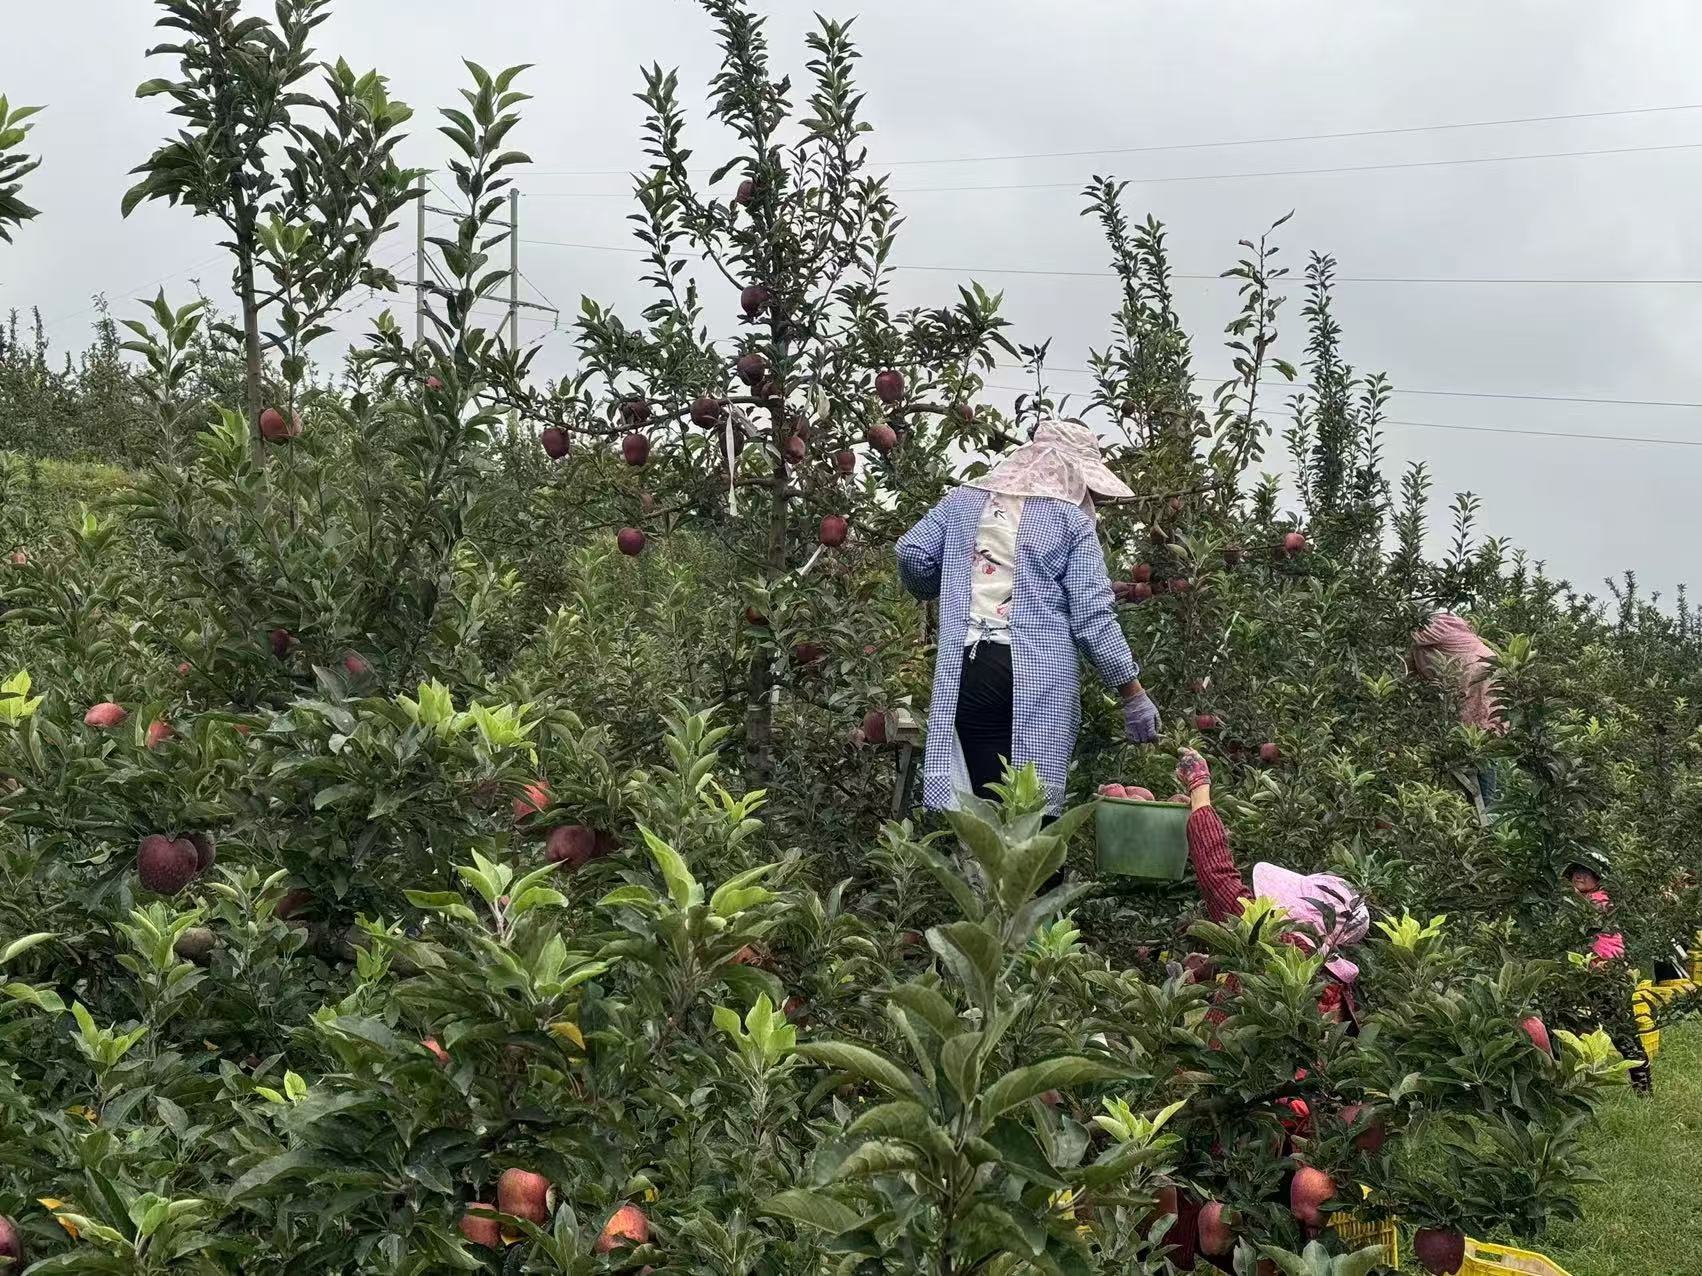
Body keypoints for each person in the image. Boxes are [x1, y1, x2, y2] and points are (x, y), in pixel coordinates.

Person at [895, 420, 1160, 816]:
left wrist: (953, 583)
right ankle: (1037, 879)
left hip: (968, 670)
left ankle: (987, 878)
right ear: (1074, 473)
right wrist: (1132, 692)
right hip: (1033, 676)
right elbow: (1092, 617)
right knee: (1029, 815)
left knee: (984, 813)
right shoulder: (1070, 519)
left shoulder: (963, 500)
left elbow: (912, 553)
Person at [1176, 748, 1370, 1024]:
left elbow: (1217, 874)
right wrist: (1215, 966)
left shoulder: (1273, 937)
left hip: (1232, 1064)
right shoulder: (1330, 980)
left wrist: (1199, 788)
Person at [1409, 611, 1506, 815]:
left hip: (1479, 678)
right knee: (1481, 742)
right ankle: (1479, 810)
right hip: (1484, 675)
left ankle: (1485, 812)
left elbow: (1409, 652)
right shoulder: (1448, 625)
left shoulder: (1431, 627)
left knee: (1482, 742)